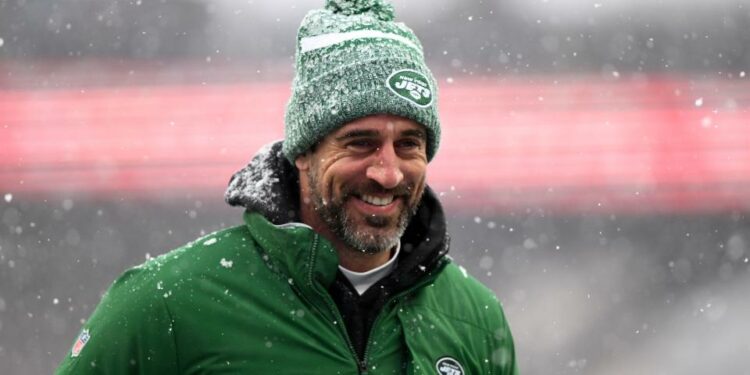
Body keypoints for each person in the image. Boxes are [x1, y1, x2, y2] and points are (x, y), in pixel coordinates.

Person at [55, 0, 518, 374]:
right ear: (302, 151)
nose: (388, 172)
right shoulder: (168, 304)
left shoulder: (474, 319)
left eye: (409, 144)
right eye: (361, 143)